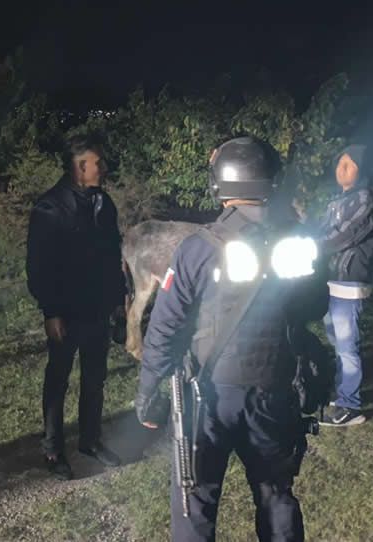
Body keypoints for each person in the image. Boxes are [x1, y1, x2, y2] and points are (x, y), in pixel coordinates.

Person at [135, 136, 318, 541]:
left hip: (209, 397)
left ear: (221, 187)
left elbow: (164, 327)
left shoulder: (197, 249)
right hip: (275, 391)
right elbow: (314, 306)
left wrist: (148, 393)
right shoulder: (297, 241)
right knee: (276, 495)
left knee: (194, 505)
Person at [26, 134, 126, 480]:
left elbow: (114, 255)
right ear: (81, 167)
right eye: (98, 162)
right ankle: (53, 450)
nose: (104, 168)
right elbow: (38, 265)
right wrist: (50, 311)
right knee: (58, 379)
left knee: (94, 379)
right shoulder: (50, 208)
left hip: (98, 306)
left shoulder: (103, 203)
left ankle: (90, 440)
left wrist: (118, 298)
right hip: (66, 311)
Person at [316, 144, 373, 427]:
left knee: (346, 347)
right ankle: (344, 393)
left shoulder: (365, 200)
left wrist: (312, 246)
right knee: (336, 341)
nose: (341, 168)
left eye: (349, 163)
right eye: (340, 163)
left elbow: (343, 236)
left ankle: (351, 408)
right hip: (332, 281)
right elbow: (320, 230)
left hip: (350, 282)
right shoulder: (338, 200)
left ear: (362, 168)